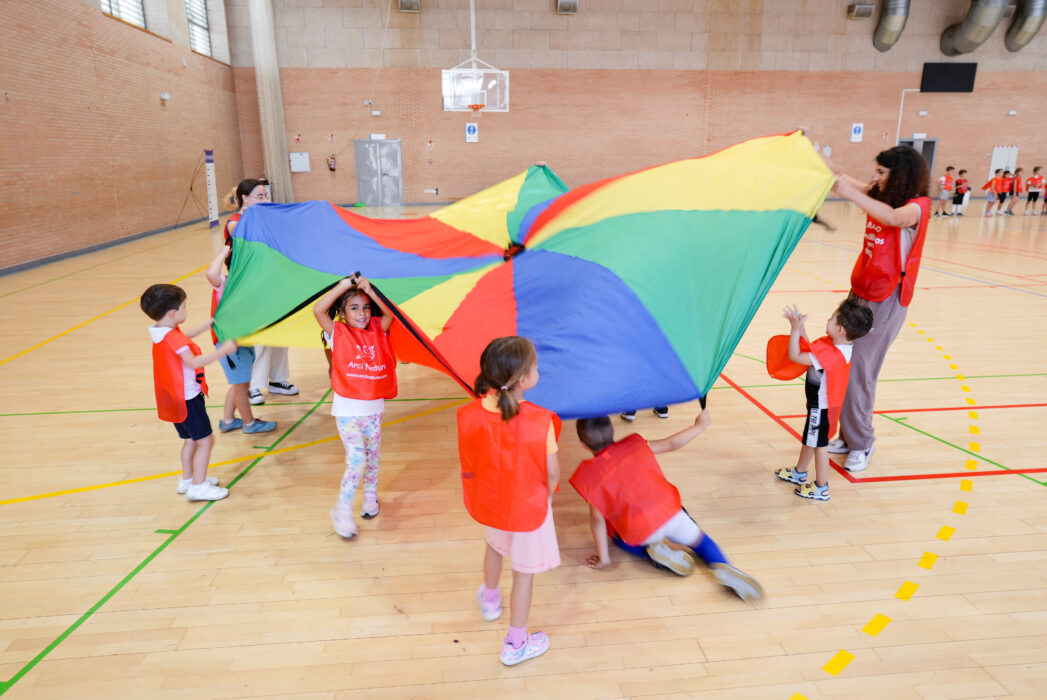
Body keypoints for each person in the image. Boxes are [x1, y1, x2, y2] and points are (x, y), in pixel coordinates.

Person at [571, 411, 764, 602]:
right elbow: (672, 444)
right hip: (671, 512)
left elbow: (597, 520)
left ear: (582, 444)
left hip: (640, 531)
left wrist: (604, 558)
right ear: (613, 429)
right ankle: (723, 565)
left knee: (618, 539)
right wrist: (699, 426)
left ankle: (650, 552)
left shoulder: (587, 477)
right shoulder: (634, 443)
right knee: (702, 542)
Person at [823, 145, 930, 472]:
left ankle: (862, 442)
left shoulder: (916, 207)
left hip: (886, 299)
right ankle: (848, 436)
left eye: (882, 172)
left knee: (860, 371)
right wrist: (811, 152)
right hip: (861, 291)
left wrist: (848, 192)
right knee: (843, 361)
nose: (875, 177)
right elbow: (841, 178)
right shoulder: (883, 196)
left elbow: (893, 218)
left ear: (901, 175)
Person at [457, 337, 560, 666]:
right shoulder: (540, 421)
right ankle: (516, 643)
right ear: (524, 380)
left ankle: (489, 598)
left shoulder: (471, 412)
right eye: (535, 366)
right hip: (528, 507)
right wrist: (547, 496)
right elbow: (552, 472)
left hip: (493, 501)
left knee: (494, 546)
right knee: (523, 574)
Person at [313, 274, 397, 538]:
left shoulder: (377, 328)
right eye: (354, 308)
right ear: (342, 312)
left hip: (373, 410)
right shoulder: (336, 332)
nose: (362, 313)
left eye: (365, 307)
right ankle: (343, 509)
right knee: (357, 459)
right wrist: (342, 286)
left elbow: (390, 314)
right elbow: (318, 310)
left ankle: (370, 496)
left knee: (372, 458)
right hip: (347, 412)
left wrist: (370, 291)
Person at [140, 283, 237, 501]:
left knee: (190, 440)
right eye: (184, 307)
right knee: (206, 441)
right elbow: (193, 362)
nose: (186, 310)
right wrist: (224, 350)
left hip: (174, 398)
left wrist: (205, 325)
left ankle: (188, 480)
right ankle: (199, 487)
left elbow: (182, 338)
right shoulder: (173, 337)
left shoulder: (161, 332)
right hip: (188, 398)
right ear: (172, 313)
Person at [770, 299, 873, 500]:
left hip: (821, 408)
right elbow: (811, 349)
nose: (828, 321)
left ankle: (821, 487)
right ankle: (800, 471)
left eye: (831, 319)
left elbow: (796, 356)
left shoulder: (832, 355)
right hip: (822, 406)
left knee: (820, 446)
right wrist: (801, 327)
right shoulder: (839, 346)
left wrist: (794, 329)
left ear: (840, 329)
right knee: (811, 439)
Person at [223, 178, 300, 405]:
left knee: (280, 329)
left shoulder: (263, 218)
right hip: (250, 285)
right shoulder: (235, 222)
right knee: (260, 334)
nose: (265, 200)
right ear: (245, 198)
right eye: (260, 196)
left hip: (271, 281)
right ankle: (253, 385)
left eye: (266, 196)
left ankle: (277, 379)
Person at [205, 245, 276, 435]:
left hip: (243, 344)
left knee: (239, 384)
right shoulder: (225, 283)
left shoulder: (249, 287)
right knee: (242, 388)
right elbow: (211, 274)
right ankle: (249, 423)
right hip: (231, 346)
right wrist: (224, 251)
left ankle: (228, 420)